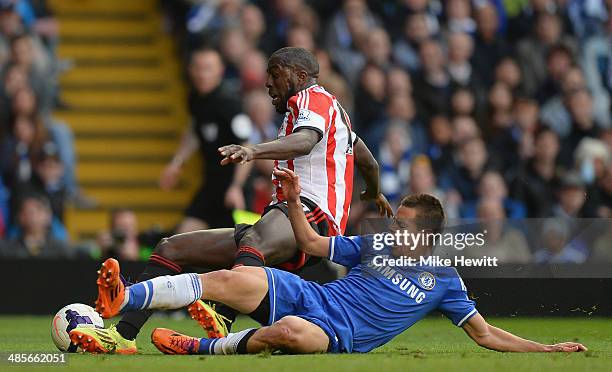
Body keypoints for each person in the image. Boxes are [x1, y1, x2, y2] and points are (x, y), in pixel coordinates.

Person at [77, 47, 392, 354]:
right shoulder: (327, 113)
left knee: (253, 239)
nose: (268, 83)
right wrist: (374, 191)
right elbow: (368, 161)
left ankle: (222, 313)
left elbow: (306, 141)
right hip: (283, 220)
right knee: (171, 247)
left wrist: (253, 150)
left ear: (300, 75)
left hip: (312, 216)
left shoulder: (313, 99)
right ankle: (122, 336)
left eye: (275, 75)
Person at [71, 168, 587, 355]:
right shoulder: (375, 244)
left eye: (404, 224)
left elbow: (486, 334)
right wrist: (294, 200)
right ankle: (124, 301)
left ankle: (204, 346)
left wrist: (547, 347)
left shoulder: (445, 280)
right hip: (312, 295)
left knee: (292, 333)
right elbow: (313, 246)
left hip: (336, 334)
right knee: (233, 276)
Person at [159, 48, 253, 233]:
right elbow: (195, 131)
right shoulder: (195, 99)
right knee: (184, 235)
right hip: (211, 184)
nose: (202, 74)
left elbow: (247, 145)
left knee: (238, 245)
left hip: (235, 188)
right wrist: (177, 162)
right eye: (198, 68)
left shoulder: (230, 103)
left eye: (208, 68)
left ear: (220, 71)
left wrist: (236, 186)